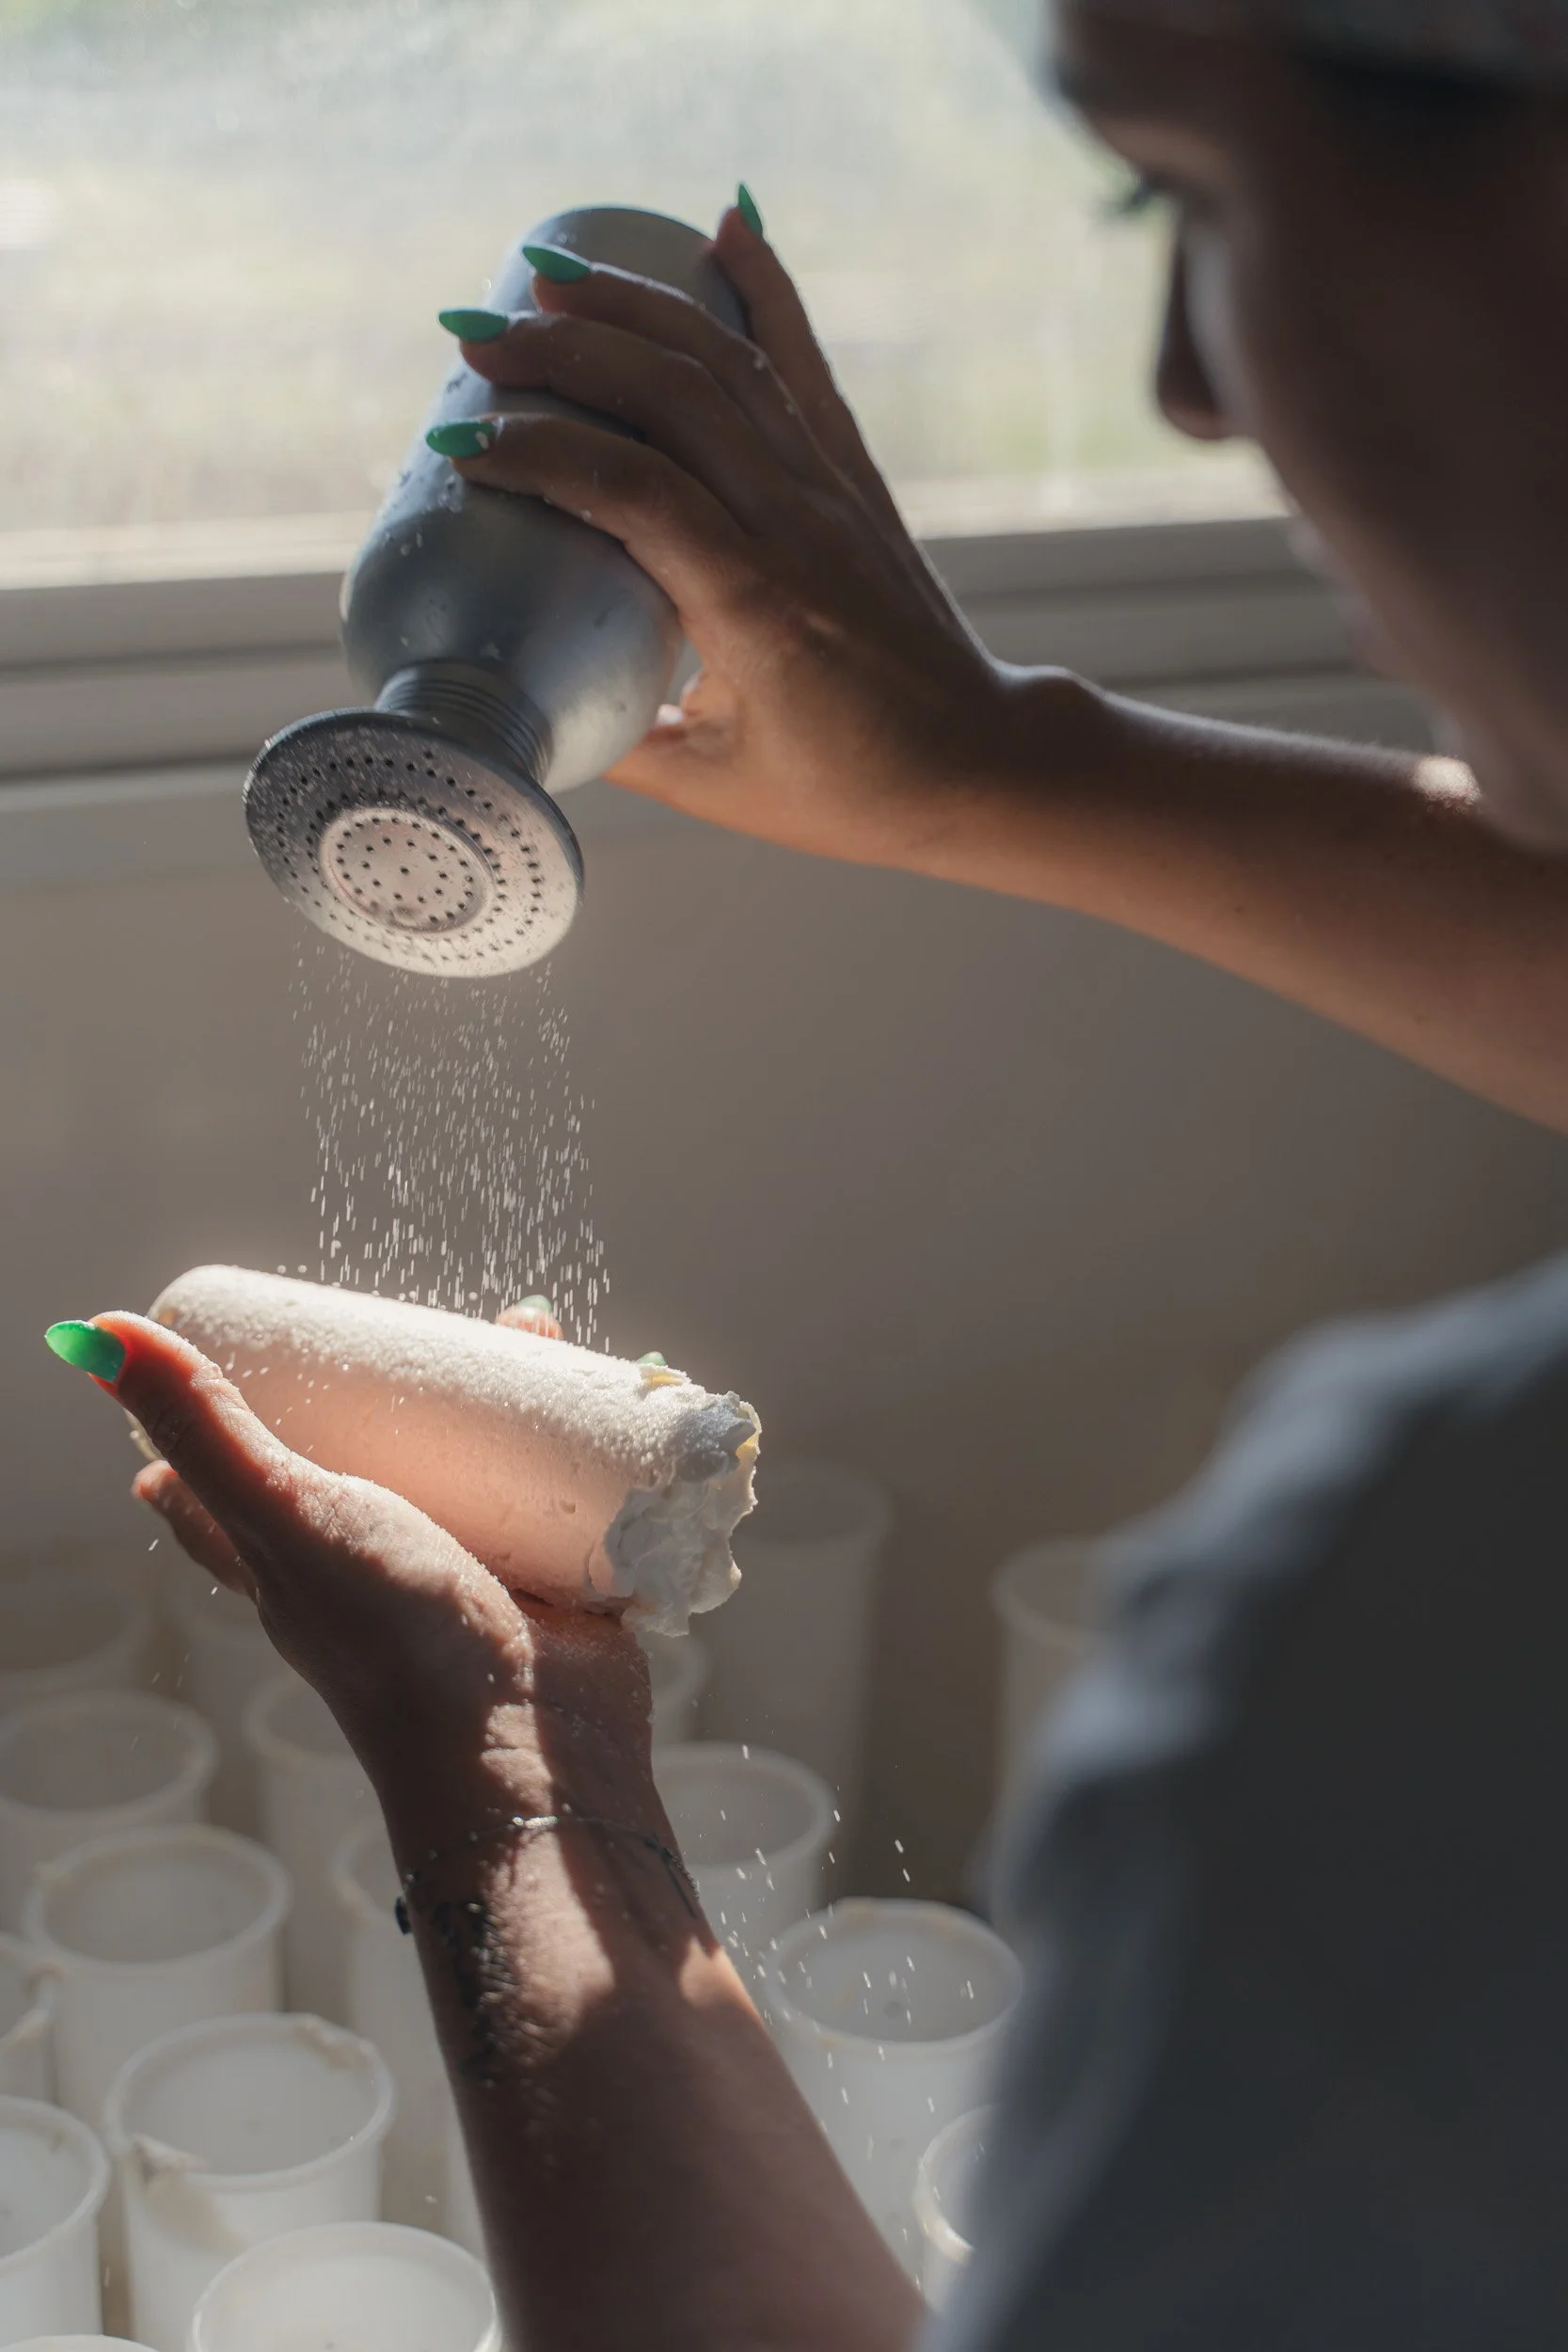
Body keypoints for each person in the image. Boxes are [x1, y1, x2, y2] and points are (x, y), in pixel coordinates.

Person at [41, 2, 1568, 2339]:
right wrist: (985, 764)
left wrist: (509, 1778)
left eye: (1197, 191)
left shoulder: (1416, 1628)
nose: (1180, 383)